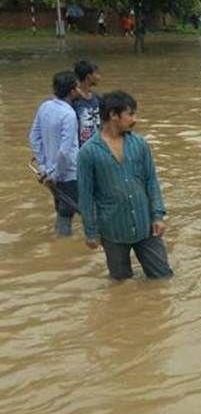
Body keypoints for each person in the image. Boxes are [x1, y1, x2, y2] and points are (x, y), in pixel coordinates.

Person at [77, 91, 173, 280]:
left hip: (146, 225)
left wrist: (158, 215)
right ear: (113, 115)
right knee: (121, 282)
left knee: (163, 277)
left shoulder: (140, 144)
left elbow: (151, 180)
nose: (135, 119)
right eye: (130, 114)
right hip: (113, 229)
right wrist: (91, 232)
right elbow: (86, 195)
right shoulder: (88, 152)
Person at [29, 71, 82, 236]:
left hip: (50, 173)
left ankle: (61, 247)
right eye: (78, 87)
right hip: (68, 173)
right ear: (72, 91)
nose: (80, 90)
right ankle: (65, 247)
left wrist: (45, 167)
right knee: (76, 211)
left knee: (62, 208)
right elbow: (65, 151)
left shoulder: (45, 107)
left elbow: (34, 137)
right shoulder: (69, 114)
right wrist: (56, 173)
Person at [73, 59, 102, 147]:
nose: (99, 77)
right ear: (89, 77)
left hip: (96, 146)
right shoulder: (74, 101)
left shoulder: (97, 98)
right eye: (97, 73)